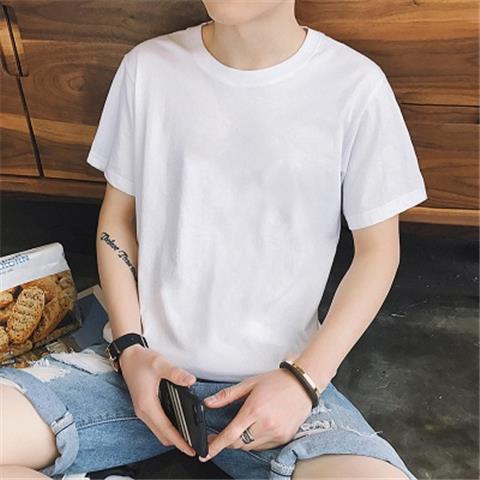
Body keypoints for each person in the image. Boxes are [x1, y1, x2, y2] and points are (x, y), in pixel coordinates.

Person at [0, 1, 428, 479]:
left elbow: (378, 253)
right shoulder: (148, 68)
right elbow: (117, 221)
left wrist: (305, 381)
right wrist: (130, 348)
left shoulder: (355, 87)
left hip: (279, 387)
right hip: (134, 376)